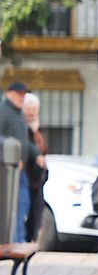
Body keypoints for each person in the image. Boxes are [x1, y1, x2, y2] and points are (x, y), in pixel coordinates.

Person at [1, 82, 42, 243]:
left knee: (22, 206)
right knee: (12, 208)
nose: (22, 97)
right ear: (10, 93)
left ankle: (19, 240)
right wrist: (11, 156)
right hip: (7, 169)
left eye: (24, 94)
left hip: (21, 170)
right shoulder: (3, 111)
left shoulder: (19, 114)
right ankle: (11, 241)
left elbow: (24, 141)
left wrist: (36, 154)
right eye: (19, 94)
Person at [20, 93, 48, 244]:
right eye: (28, 109)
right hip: (27, 178)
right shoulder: (22, 129)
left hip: (38, 181)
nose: (31, 113)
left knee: (36, 217)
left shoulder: (39, 129)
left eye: (34, 109)